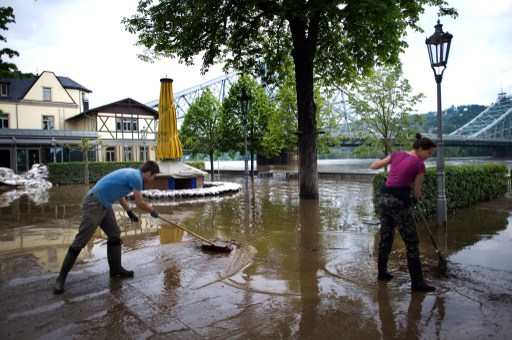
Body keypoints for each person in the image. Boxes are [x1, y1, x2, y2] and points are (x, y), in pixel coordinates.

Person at [52, 160, 161, 294]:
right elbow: (140, 202)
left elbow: (119, 194)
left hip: (105, 204)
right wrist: (152, 210)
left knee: (114, 233)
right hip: (94, 203)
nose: (152, 179)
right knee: (81, 241)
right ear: (148, 173)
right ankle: (60, 279)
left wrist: (128, 211)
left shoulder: (131, 174)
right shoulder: (137, 178)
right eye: (153, 176)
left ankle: (115, 269)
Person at [370, 133, 437, 292]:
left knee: (386, 236)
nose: (429, 156)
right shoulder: (419, 164)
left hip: (384, 199)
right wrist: (414, 198)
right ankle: (417, 282)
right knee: (412, 241)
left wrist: (394, 161)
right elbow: (416, 192)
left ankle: (382, 273)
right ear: (420, 149)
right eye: (429, 153)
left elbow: (374, 166)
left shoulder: (397, 154)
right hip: (399, 202)